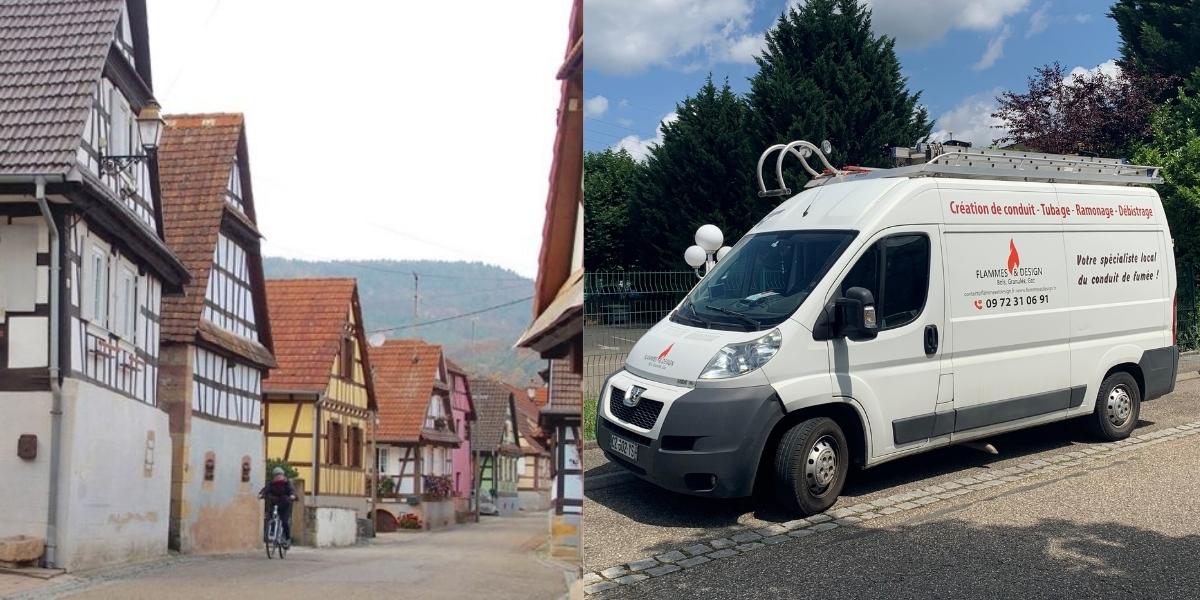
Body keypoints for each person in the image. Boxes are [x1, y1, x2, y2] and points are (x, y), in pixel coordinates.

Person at [259, 467, 297, 546]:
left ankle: (287, 538)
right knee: (269, 517)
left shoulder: (287, 483)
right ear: (274, 477)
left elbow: (291, 490)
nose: (278, 477)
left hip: (285, 504)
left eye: (280, 475)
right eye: (276, 475)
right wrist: (261, 494)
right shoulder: (271, 484)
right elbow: (266, 489)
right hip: (275, 503)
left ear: (283, 476)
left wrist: (292, 495)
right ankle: (271, 532)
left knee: (284, 521)